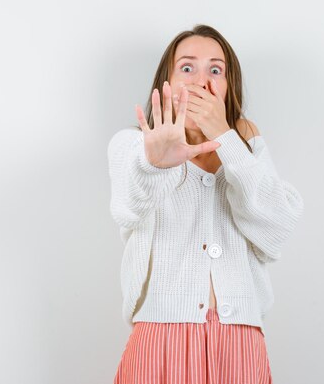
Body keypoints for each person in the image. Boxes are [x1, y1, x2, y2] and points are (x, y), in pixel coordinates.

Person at [107, 24, 305, 384]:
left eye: (216, 70)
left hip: (241, 343)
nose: (202, 80)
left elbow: (277, 229)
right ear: (165, 82)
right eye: (187, 67)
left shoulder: (245, 147)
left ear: (228, 86)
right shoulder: (134, 144)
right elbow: (128, 206)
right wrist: (155, 163)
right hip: (160, 339)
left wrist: (228, 141)